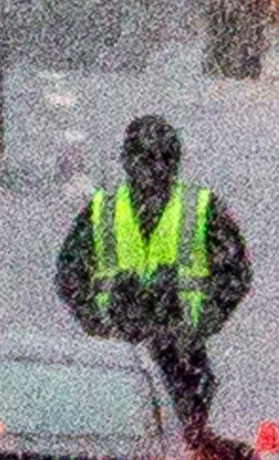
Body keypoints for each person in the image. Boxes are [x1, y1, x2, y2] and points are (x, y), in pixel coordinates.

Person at [55, 114, 250, 440]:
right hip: (116, 354)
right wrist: (100, 324)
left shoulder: (201, 208)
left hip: (180, 354)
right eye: (146, 159)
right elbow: (70, 274)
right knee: (113, 442)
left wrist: (197, 324)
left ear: (175, 163)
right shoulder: (102, 210)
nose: (155, 169)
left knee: (182, 448)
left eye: (164, 159)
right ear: (127, 162)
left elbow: (235, 275)